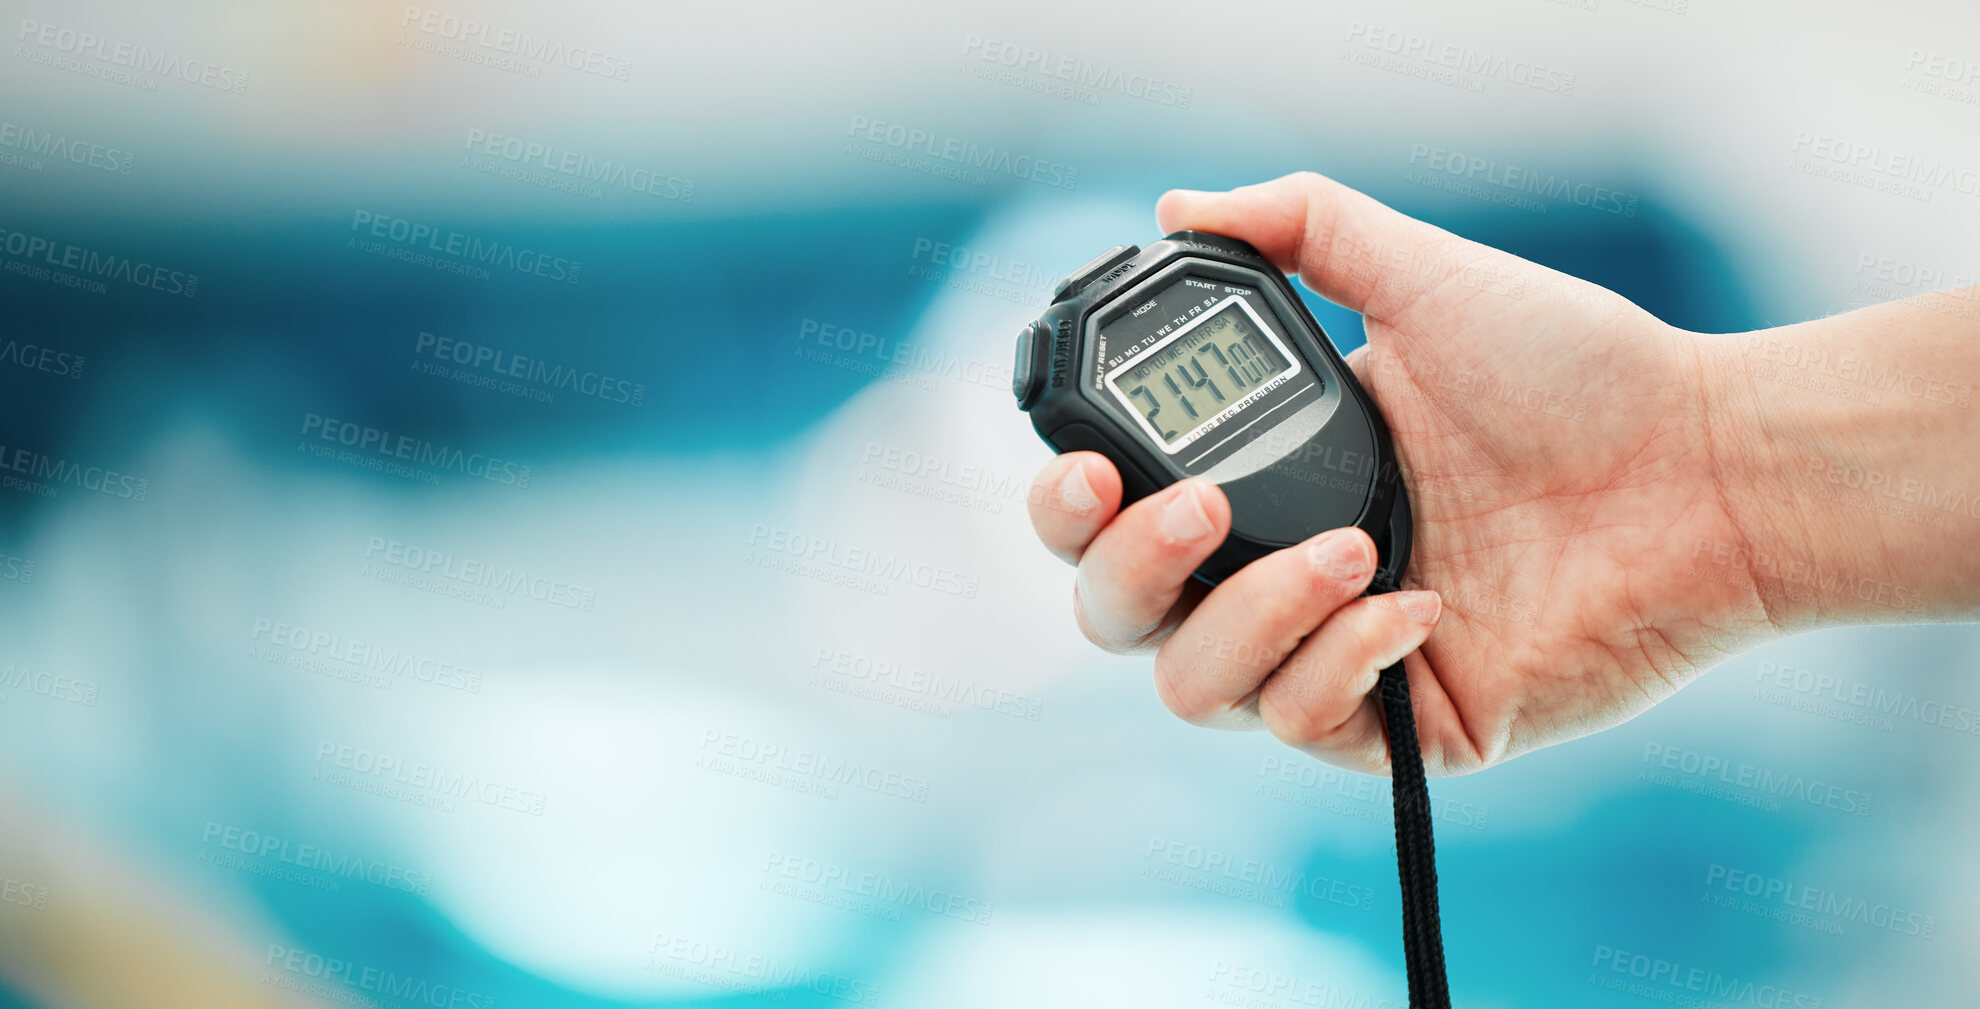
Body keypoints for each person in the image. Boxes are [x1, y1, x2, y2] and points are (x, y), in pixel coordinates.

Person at [1026, 171, 1980, 777]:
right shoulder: (1213, 278)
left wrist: (1715, 461)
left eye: (1214, 367)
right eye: (1196, 385)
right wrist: (1711, 464)